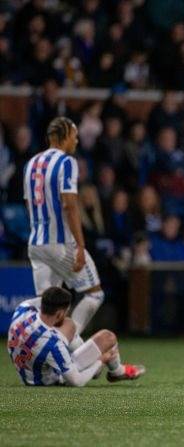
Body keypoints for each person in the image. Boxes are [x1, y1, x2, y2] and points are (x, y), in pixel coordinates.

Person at [23, 117, 105, 337]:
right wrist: (80, 245)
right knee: (94, 293)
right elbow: (69, 205)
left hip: (36, 243)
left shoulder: (31, 164)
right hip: (60, 242)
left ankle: (44, 356)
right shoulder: (67, 162)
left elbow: (29, 205)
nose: (76, 140)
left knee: (47, 305)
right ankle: (67, 343)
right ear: (65, 136)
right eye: (74, 135)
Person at [7, 287, 145, 386]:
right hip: (47, 379)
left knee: (69, 324)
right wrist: (101, 361)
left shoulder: (23, 309)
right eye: (66, 311)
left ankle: (90, 362)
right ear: (60, 313)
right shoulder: (52, 343)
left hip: (26, 371)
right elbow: (77, 381)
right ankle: (116, 371)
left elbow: (45, 301)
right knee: (108, 338)